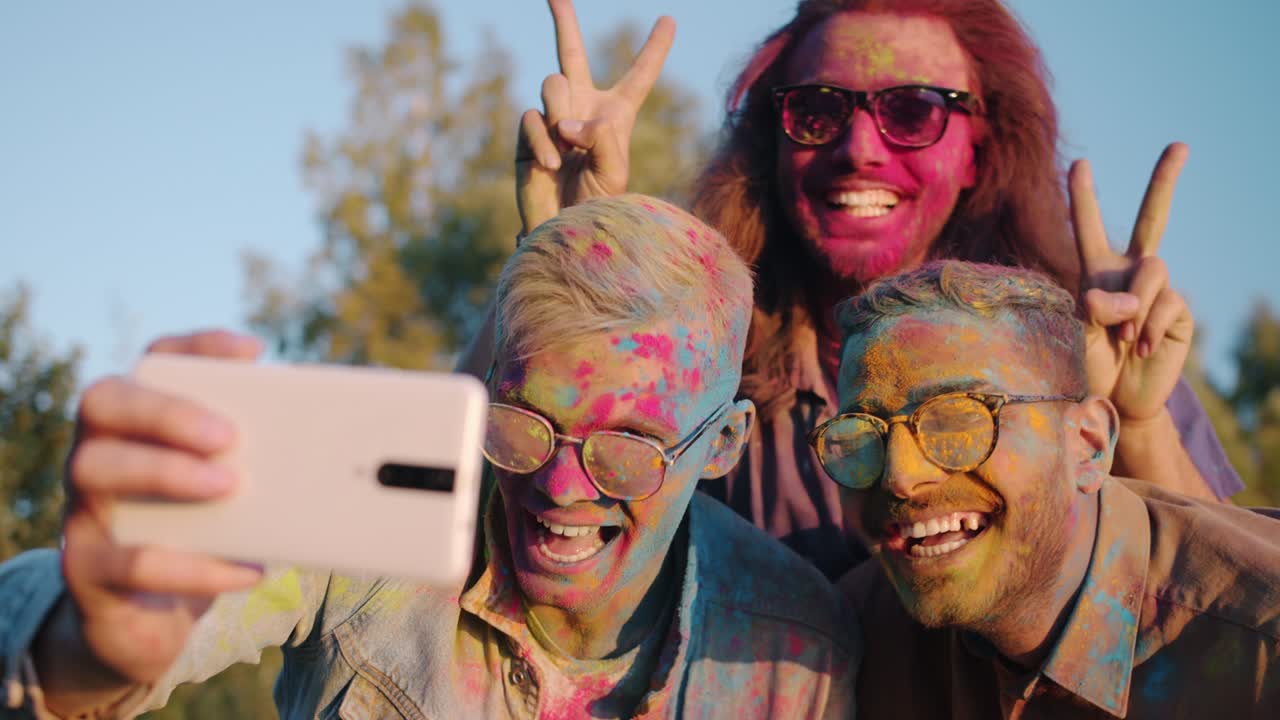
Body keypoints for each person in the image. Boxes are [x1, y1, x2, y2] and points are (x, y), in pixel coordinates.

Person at [0, 195, 858, 719]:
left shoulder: (799, 652)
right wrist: (82, 644)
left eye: (627, 450)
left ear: (723, 445)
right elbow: (67, 632)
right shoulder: (370, 527)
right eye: (521, 423)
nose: (558, 487)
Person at [485, 0, 1242, 579]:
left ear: (980, 149)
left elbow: (1234, 603)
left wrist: (1137, 421)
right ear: (773, 140)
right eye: (818, 111)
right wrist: (567, 262)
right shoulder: (702, 352)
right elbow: (490, 523)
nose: (858, 149)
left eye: (912, 111)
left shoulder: (1083, 346)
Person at [827, 261, 1280, 718]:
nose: (900, 476)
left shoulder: (1263, 649)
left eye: (958, 419)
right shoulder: (847, 638)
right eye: (861, 436)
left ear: (1088, 445)